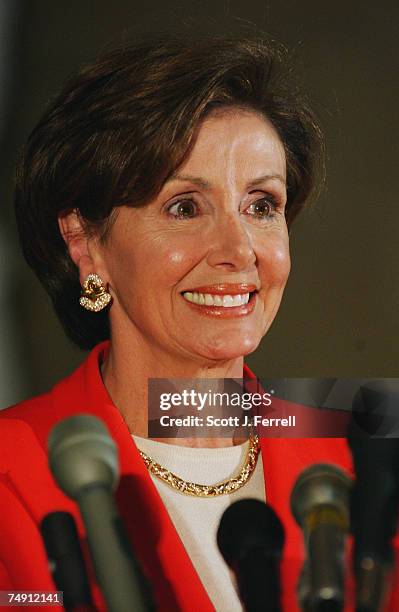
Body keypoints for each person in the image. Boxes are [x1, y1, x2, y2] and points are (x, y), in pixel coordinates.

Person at [0, 34, 397, 611]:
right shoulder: (12, 473)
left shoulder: (366, 458)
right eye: (184, 207)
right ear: (86, 245)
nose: (239, 250)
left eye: (262, 205)